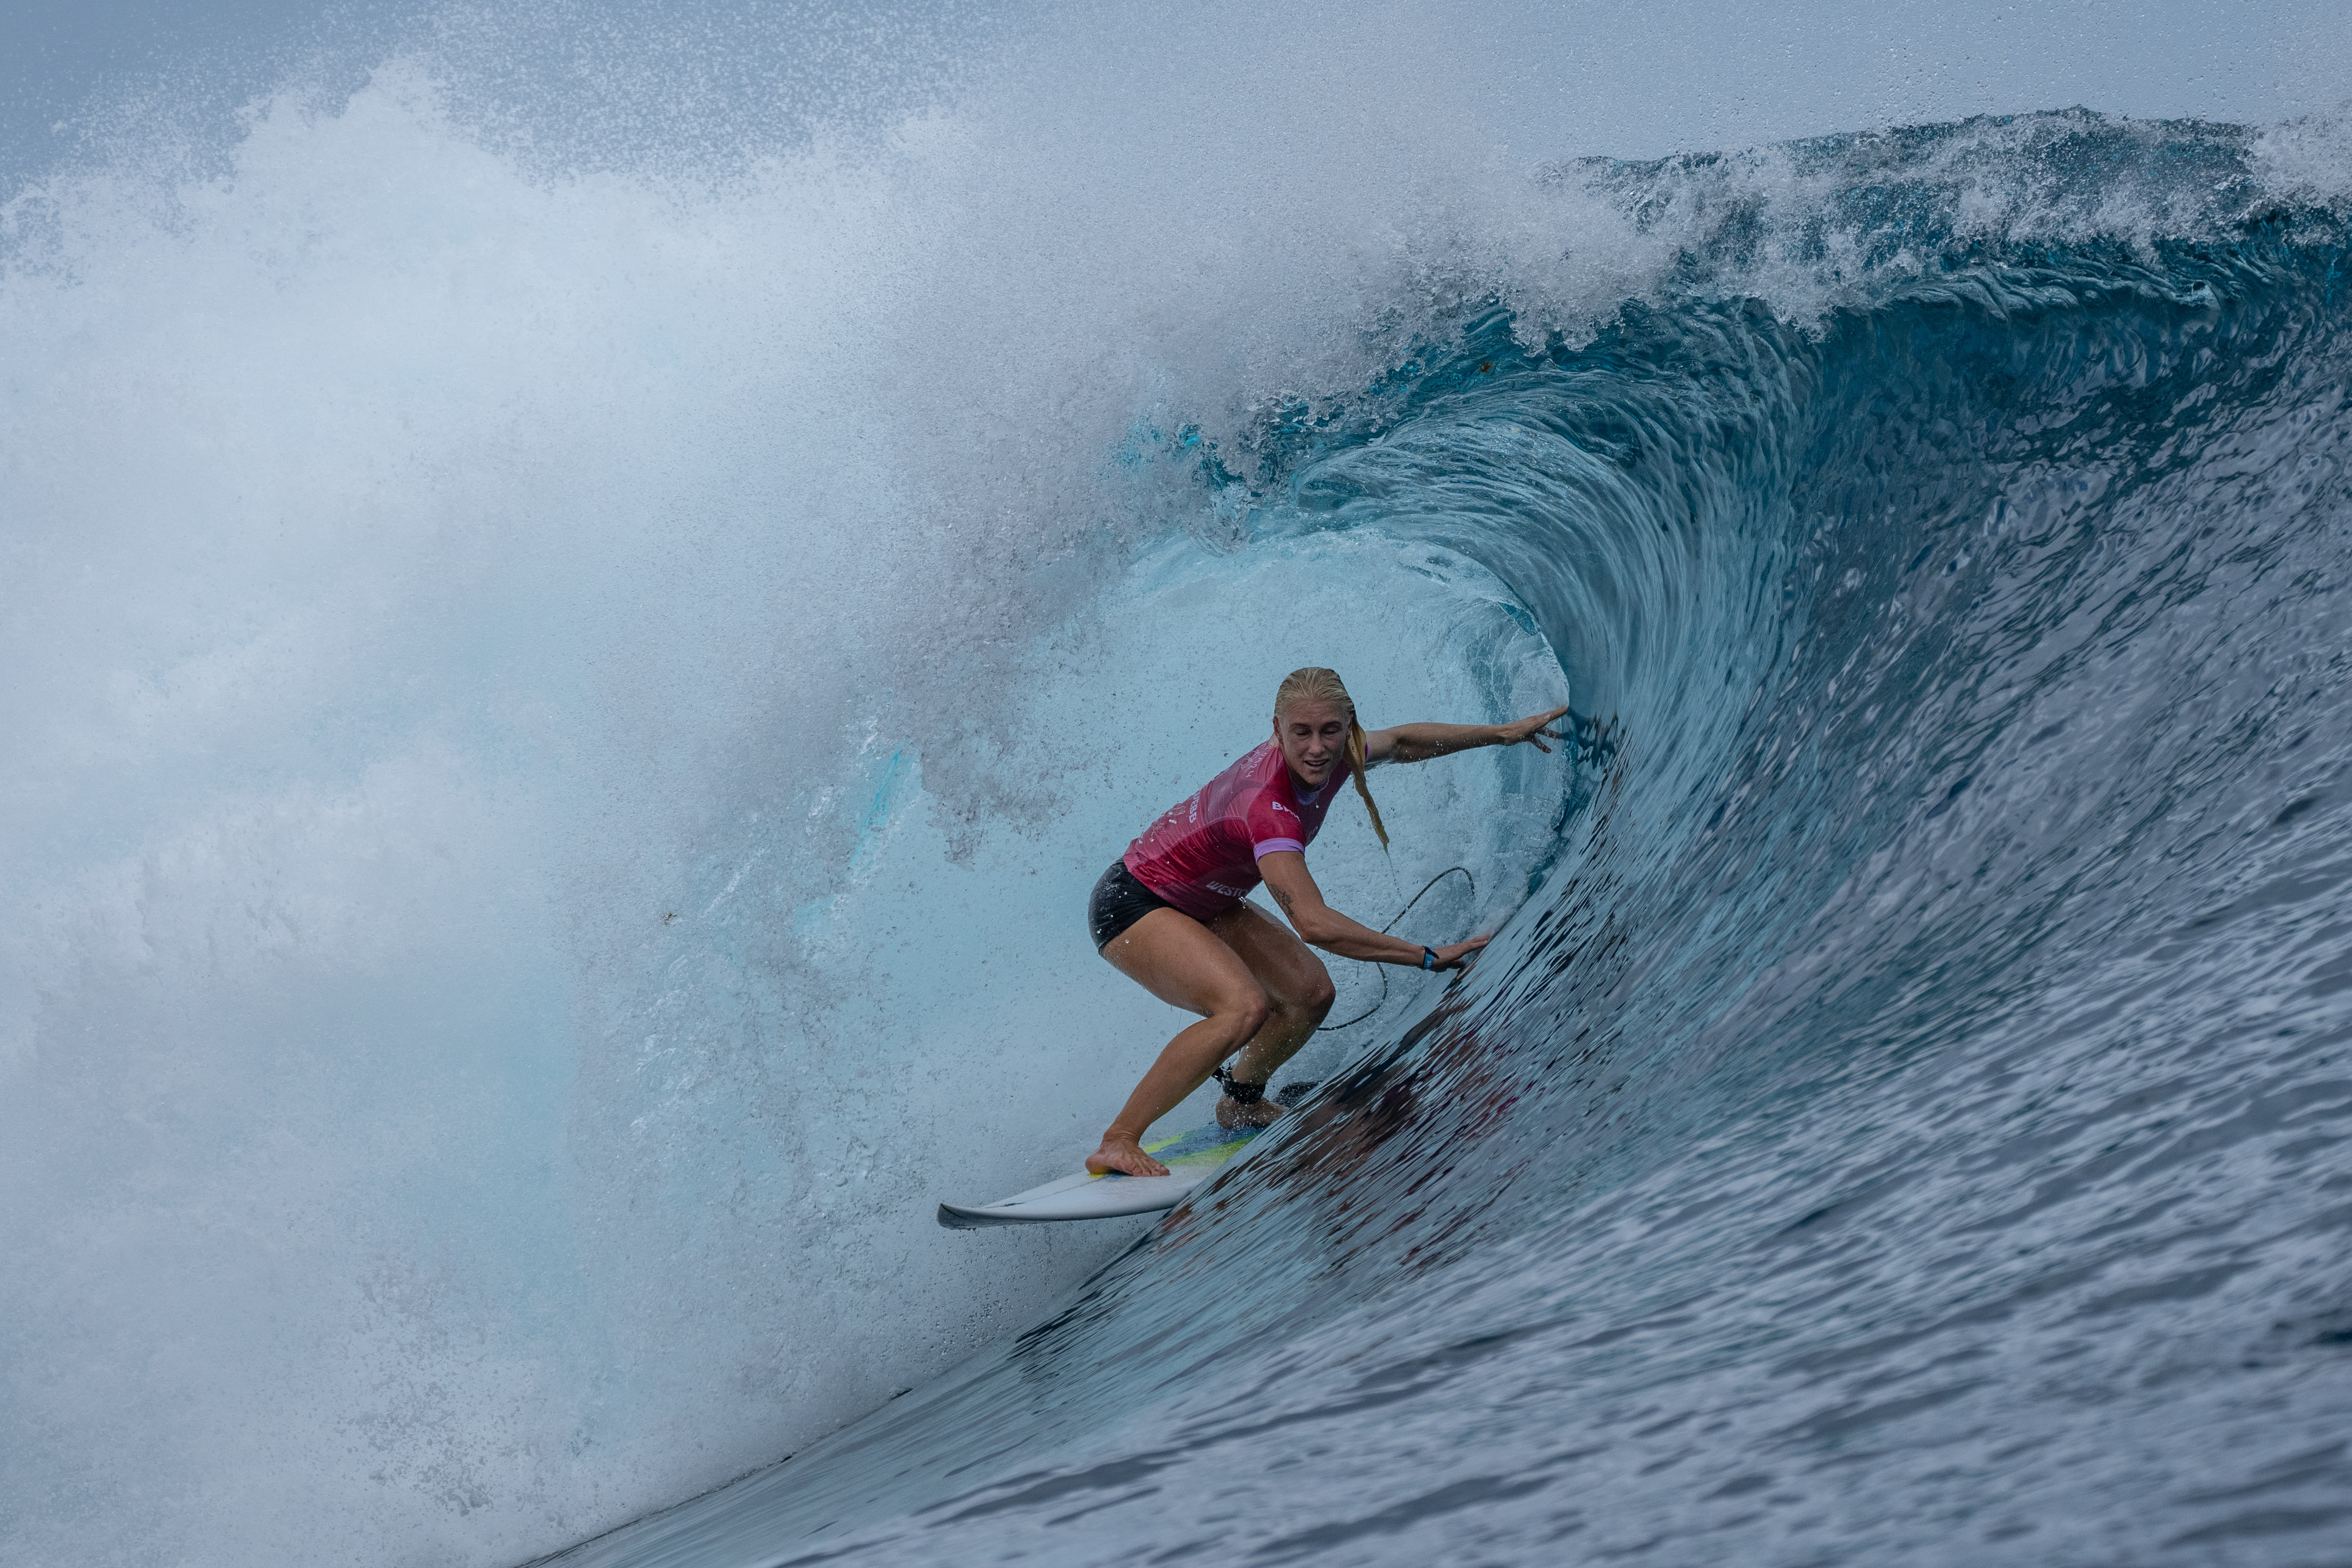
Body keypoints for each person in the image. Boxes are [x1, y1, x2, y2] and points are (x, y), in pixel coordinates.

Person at [1083, 666, 1569, 1177]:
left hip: (1206, 900)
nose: (1317, 747)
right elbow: (1314, 923)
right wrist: (1424, 956)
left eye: (1330, 731)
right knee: (1242, 1008)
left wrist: (1504, 734)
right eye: (1302, 733)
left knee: (1311, 994)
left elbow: (1403, 742)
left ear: (1349, 728)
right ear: (1278, 730)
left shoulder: (1339, 755)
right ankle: (1119, 1139)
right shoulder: (1268, 806)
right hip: (1134, 902)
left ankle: (1241, 1102)